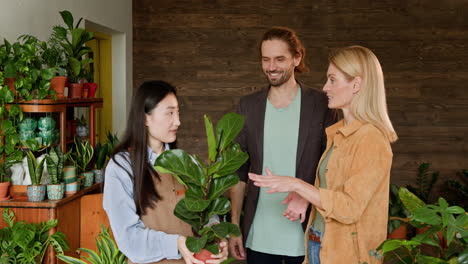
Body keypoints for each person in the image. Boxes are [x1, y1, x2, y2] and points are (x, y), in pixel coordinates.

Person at [249, 45, 398, 264]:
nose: (325, 87)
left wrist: (297, 185)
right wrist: (305, 196)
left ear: (356, 84)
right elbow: (333, 190)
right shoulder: (338, 133)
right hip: (319, 242)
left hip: (344, 254)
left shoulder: (371, 139)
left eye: (333, 80)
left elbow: (350, 208)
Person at [228, 27, 335, 264]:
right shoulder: (248, 106)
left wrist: (307, 196)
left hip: (307, 232)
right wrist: (234, 225)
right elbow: (239, 172)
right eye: (266, 60)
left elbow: (332, 164)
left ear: (297, 58)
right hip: (259, 235)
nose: (271, 67)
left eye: (279, 59)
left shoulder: (321, 104)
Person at [103, 81, 228, 264]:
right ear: (145, 118)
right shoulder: (121, 168)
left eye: (178, 112)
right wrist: (176, 243)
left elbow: (206, 212)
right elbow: (129, 238)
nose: (178, 121)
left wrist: (216, 235)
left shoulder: (187, 163)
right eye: (169, 113)